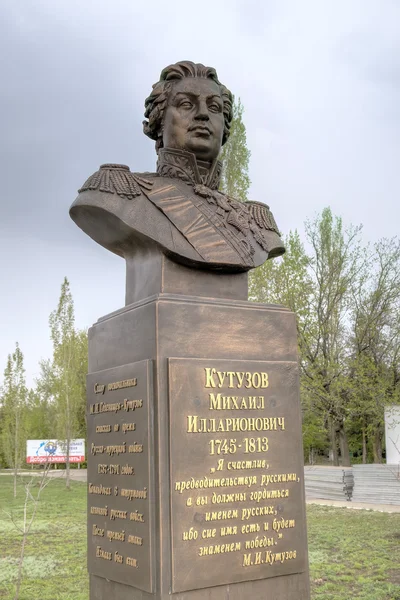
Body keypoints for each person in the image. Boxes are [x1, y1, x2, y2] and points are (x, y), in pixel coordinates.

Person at [70, 61, 284, 272]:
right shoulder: (116, 191)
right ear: (160, 120)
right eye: (186, 104)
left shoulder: (255, 220)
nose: (203, 114)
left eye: (214, 107)